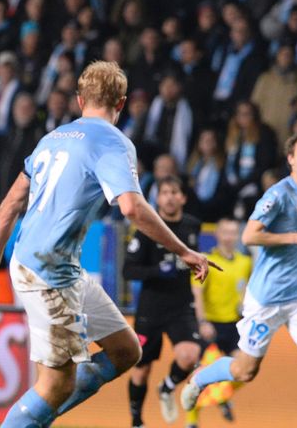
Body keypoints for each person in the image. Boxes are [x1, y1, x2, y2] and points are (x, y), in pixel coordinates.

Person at [0, 61, 217, 427]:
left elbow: (12, 202)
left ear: (80, 100)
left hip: (54, 266)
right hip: (46, 272)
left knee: (126, 350)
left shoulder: (52, 138)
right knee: (55, 385)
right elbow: (131, 207)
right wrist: (184, 250)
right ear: (121, 103)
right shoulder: (114, 141)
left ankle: (38, 419)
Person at [181, 129, 297, 428]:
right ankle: (202, 377)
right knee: (245, 371)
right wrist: (294, 237)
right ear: (291, 159)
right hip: (267, 299)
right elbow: (250, 234)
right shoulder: (278, 195)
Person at [123, 175, 204, 427]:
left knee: (190, 355)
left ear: (183, 198)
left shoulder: (192, 225)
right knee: (142, 369)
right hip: (151, 309)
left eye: (174, 192)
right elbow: (128, 270)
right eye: (164, 192)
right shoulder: (147, 229)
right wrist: (158, 270)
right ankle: (136, 420)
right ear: (157, 199)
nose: (169, 197)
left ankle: (167, 387)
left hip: (181, 306)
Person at [185, 217, 252, 428]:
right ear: (217, 234)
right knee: (200, 374)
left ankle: (222, 395)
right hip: (210, 325)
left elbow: (246, 291)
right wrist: (202, 321)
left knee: (244, 371)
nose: (230, 237)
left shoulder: (245, 262)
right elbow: (197, 292)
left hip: (233, 325)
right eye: (225, 232)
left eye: (233, 233)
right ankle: (192, 421)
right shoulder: (205, 260)